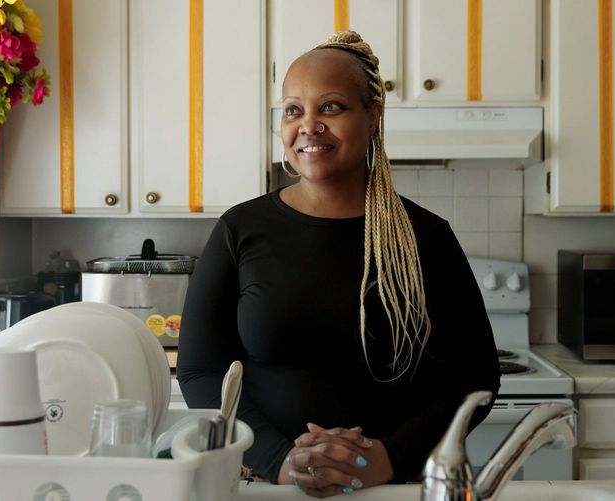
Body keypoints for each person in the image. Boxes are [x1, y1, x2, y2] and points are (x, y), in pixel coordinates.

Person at [177, 30, 500, 498]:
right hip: (266, 484)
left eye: (330, 107)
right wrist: (279, 459)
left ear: (373, 117)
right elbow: (200, 371)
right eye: (293, 109)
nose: (308, 125)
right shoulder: (240, 229)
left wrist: (387, 458)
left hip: (394, 487)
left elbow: (475, 378)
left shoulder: (426, 237)